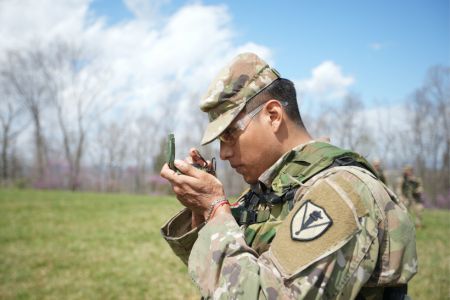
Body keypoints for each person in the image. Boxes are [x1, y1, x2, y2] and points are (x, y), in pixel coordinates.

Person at [160, 53, 417, 299]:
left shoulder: (342, 192)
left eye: (229, 135)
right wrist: (201, 211)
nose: (224, 153)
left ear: (272, 116)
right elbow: (221, 279)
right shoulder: (271, 191)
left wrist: (215, 208)